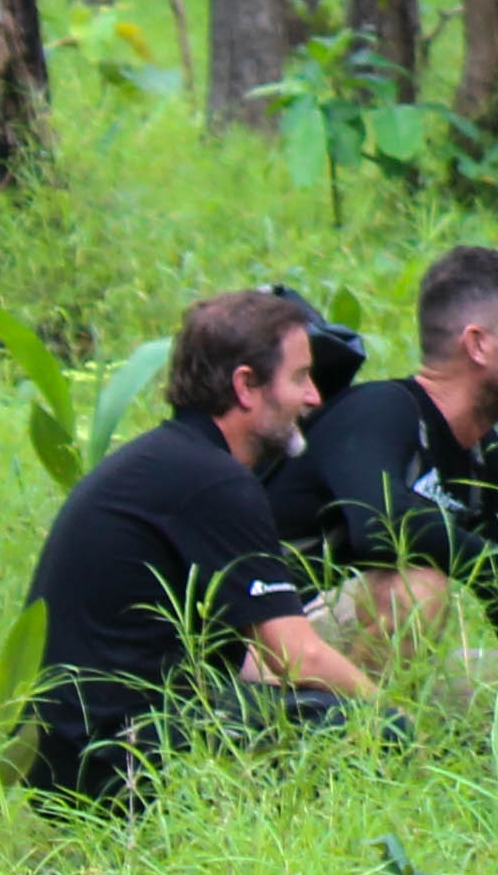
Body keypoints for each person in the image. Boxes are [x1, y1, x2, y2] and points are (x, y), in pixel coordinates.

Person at [23, 289, 384, 808]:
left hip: (72, 754)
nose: (314, 399)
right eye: (300, 377)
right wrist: (390, 714)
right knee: (361, 725)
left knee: (311, 706)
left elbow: (247, 660)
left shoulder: (171, 462)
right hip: (111, 759)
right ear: (246, 386)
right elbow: (296, 655)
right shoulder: (214, 483)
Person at [276, 244, 498, 715]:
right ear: (478, 344)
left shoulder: (481, 454)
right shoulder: (380, 410)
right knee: (415, 587)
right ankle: (354, 751)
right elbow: (379, 521)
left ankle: (410, 741)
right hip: (280, 654)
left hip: (386, 669)